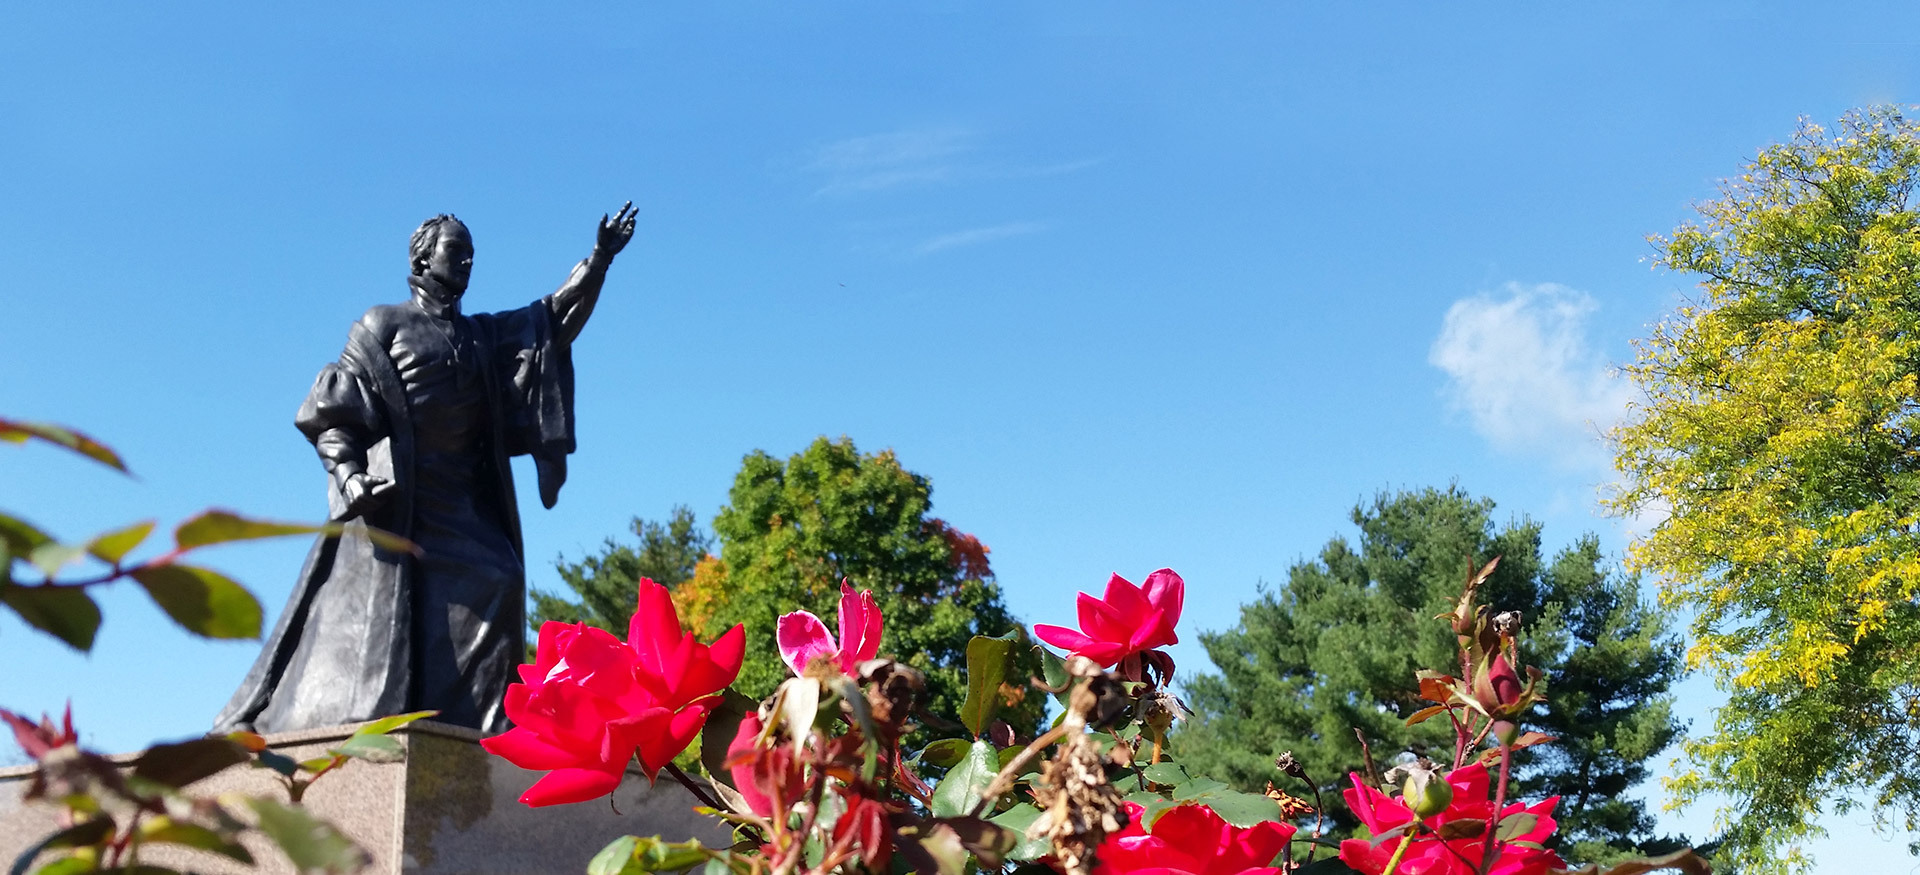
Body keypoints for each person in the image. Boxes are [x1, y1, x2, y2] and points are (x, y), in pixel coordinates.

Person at [214, 204, 637, 734]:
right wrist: (348, 476)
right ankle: (398, 722)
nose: (466, 263)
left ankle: (471, 734)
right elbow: (335, 412)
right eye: (455, 251)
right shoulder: (383, 324)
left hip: (463, 500)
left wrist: (598, 259)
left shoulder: (481, 335)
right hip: (399, 497)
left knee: (500, 577)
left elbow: (553, 319)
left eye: (471, 256)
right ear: (423, 256)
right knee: (381, 635)